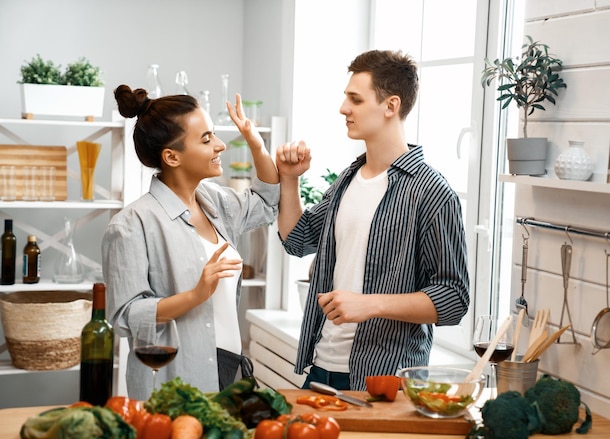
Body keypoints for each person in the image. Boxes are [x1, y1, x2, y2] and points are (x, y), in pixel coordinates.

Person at [275, 49, 470, 391]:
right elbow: (298, 239)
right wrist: (289, 179)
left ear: (390, 106)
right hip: (322, 366)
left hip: (385, 378)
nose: (343, 108)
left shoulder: (432, 191)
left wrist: (369, 304)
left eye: (355, 99)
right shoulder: (348, 179)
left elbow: (453, 299)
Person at [103, 85, 279, 400]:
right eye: (206, 139)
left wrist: (255, 142)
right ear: (171, 156)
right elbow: (126, 316)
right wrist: (196, 295)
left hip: (229, 369)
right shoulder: (131, 225)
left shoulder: (216, 203)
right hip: (176, 378)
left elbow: (266, 202)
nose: (221, 145)